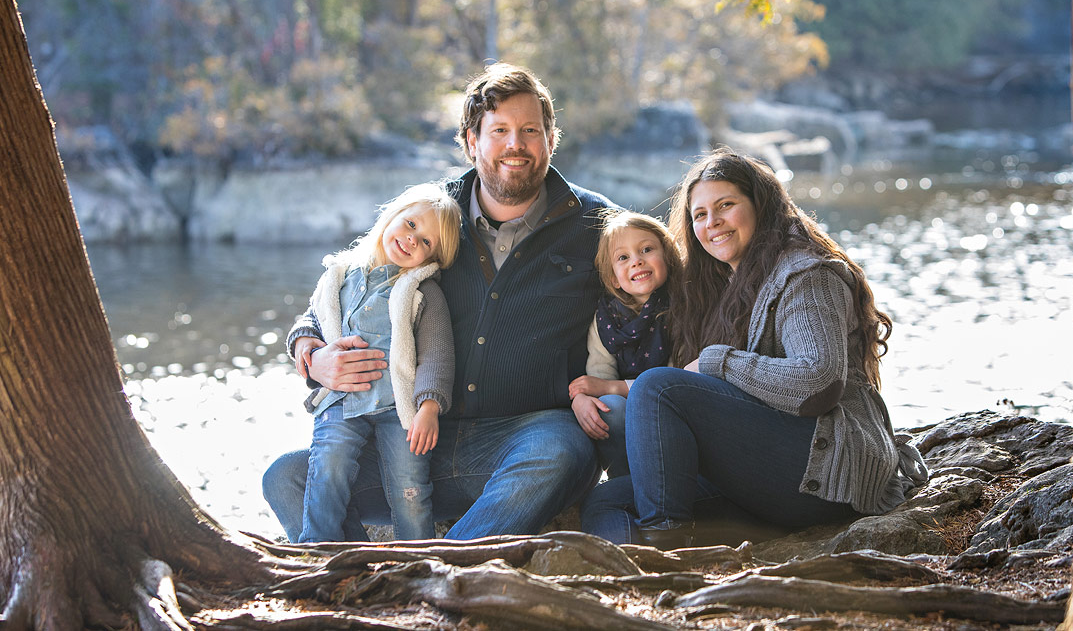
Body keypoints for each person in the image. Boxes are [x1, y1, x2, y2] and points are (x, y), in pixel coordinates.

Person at [263, 62, 615, 542]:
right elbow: (350, 279)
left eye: (531, 130)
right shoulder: (431, 215)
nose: (516, 144)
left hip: (523, 440)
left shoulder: (597, 225)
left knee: (560, 452)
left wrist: (611, 389)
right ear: (471, 141)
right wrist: (310, 354)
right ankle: (352, 570)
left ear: (551, 139)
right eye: (500, 131)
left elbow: (648, 307)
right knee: (286, 477)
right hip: (409, 438)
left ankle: (439, 568)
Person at [581, 149, 928, 548]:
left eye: (725, 206)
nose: (712, 223)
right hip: (763, 472)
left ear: (759, 205)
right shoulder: (725, 283)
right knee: (605, 500)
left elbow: (818, 381)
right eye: (700, 215)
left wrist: (718, 361)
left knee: (657, 387)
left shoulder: (805, 274)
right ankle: (635, 577)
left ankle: (668, 547)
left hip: (825, 473)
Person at [298, 184, 460, 542]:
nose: (413, 240)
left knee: (410, 489)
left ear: (433, 260)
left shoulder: (422, 292)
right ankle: (319, 551)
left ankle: (416, 561)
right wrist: (305, 344)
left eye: (427, 243)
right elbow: (314, 315)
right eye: (411, 224)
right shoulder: (341, 274)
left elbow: (437, 353)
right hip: (342, 398)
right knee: (328, 467)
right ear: (391, 216)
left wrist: (429, 407)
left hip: (398, 409)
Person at [569, 211, 680, 478]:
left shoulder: (681, 306)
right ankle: (625, 480)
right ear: (613, 278)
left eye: (647, 249)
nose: (637, 261)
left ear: (667, 255)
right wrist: (584, 399)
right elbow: (599, 375)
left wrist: (612, 387)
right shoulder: (607, 318)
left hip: (673, 410)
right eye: (623, 258)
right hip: (627, 407)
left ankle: (666, 478)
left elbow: (679, 378)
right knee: (608, 409)